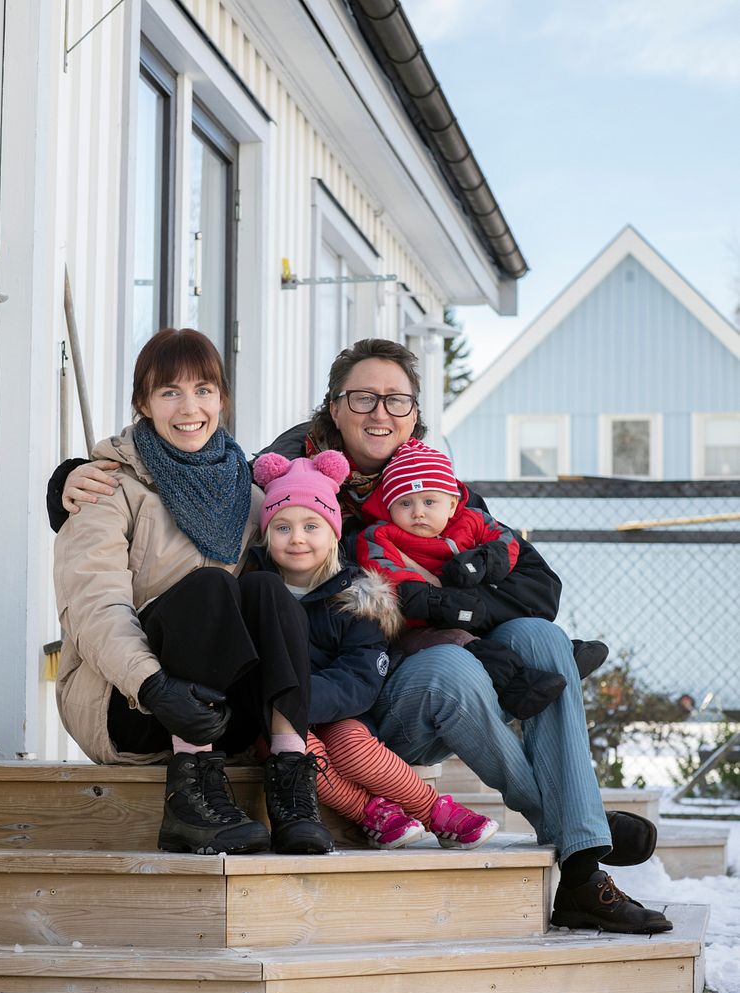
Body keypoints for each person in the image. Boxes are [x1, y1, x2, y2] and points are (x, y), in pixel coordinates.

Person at [49, 337, 669, 934]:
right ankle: (569, 819)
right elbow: (165, 516)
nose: (380, 413)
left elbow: (539, 587)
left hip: (368, 671)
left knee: (541, 639)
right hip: (313, 693)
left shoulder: (431, 481)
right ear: (333, 406)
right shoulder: (279, 473)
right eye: (362, 397)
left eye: (396, 399)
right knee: (443, 669)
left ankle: (583, 866)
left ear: (415, 413)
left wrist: (447, 612)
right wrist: (70, 480)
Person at [52, 327, 333, 857]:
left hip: (221, 710)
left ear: (222, 400)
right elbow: (93, 609)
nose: (190, 407)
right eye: (170, 392)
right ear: (143, 403)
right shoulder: (105, 489)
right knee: (208, 587)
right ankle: (192, 793)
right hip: (129, 704)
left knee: (268, 592)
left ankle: (291, 780)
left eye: (204, 390)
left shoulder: (249, 499)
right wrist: (155, 686)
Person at [248, 449, 498, 850]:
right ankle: (371, 813)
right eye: (282, 527)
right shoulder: (255, 591)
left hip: (340, 710)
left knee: (352, 743)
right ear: (266, 533)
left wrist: (299, 697)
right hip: (274, 720)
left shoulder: (358, 597)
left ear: (333, 533)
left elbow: (361, 675)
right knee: (298, 751)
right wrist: (286, 705)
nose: (297, 538)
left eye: (312, 525)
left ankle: (435, 810)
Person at [355, 436, 609, 720]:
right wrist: (436, 600)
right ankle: (516, 685)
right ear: (389, 508)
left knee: (505, 615)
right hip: (426, 620)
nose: (418, 513)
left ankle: (561, 657)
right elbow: (386, 574)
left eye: (429, 501)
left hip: (474, 599)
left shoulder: (472, 519)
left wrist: (486, 560)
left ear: (452, 504)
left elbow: (505, 541)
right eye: (404, 504)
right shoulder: (380, 535)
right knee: (463, 642)